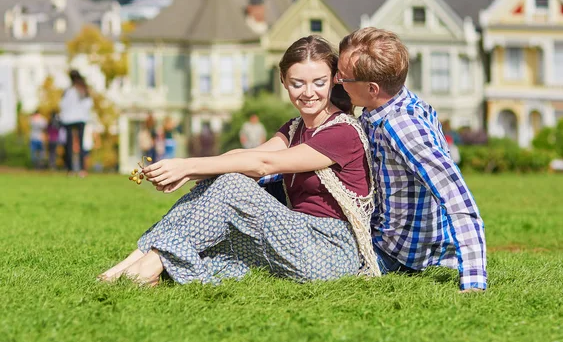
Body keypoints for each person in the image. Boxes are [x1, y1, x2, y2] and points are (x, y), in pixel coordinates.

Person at [99, 35, 379, 286]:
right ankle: (124, 268)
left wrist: (188, 165)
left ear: (333, 81)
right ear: (283, 81)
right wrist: (193, 173)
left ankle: (146, 268)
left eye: (319, 83)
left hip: (330, 251)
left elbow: (264, 166)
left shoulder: (342, 133)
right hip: (296, 237)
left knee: (233, 184)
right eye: (297, 83)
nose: (308, 92)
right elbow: (244, 157)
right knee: (220, 189)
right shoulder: (295, 128)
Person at [337, 28, 487, 292]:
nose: (337, 81)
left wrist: (473, 281)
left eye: (344, 78)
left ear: (372, 89)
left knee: (313, 264)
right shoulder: (384, 108)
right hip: (388, 240)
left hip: (400, 255)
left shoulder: (402, 125)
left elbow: (454, 195)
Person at [59, 70, 93, 176]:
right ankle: (81, 169)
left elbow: (62, 105)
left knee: (69, 145)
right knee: (80, 144)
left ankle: (71, 170)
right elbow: (88, 104)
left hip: (69, 119)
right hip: (78, 119)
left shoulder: (69, 91)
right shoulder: (81, 89)